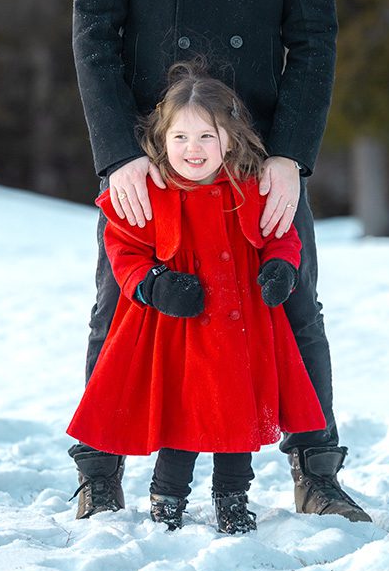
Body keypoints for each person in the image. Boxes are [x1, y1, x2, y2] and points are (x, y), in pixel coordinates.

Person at [71, 0, 371, 523]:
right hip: (156, 152)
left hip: (257, 153)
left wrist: (290, 158)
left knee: (292, 302)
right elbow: (92, 31)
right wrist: (118, 155)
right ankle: (98, 473)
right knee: (122, 305)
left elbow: (313, 38)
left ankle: (317, 471)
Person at [68, 64, 326, 533]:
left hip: (239, 330)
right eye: (181, 138)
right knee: (181, 417)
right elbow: (123, 249)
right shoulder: (151, 193)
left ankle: (232, 497)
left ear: (229, 138)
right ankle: (168, 496)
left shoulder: (250, 187)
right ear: (161, 141)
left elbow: (281, 235)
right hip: (179, 335)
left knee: (238, 417)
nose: (194, 149)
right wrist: (153, 285)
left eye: (207, 137)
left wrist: (280, 269)